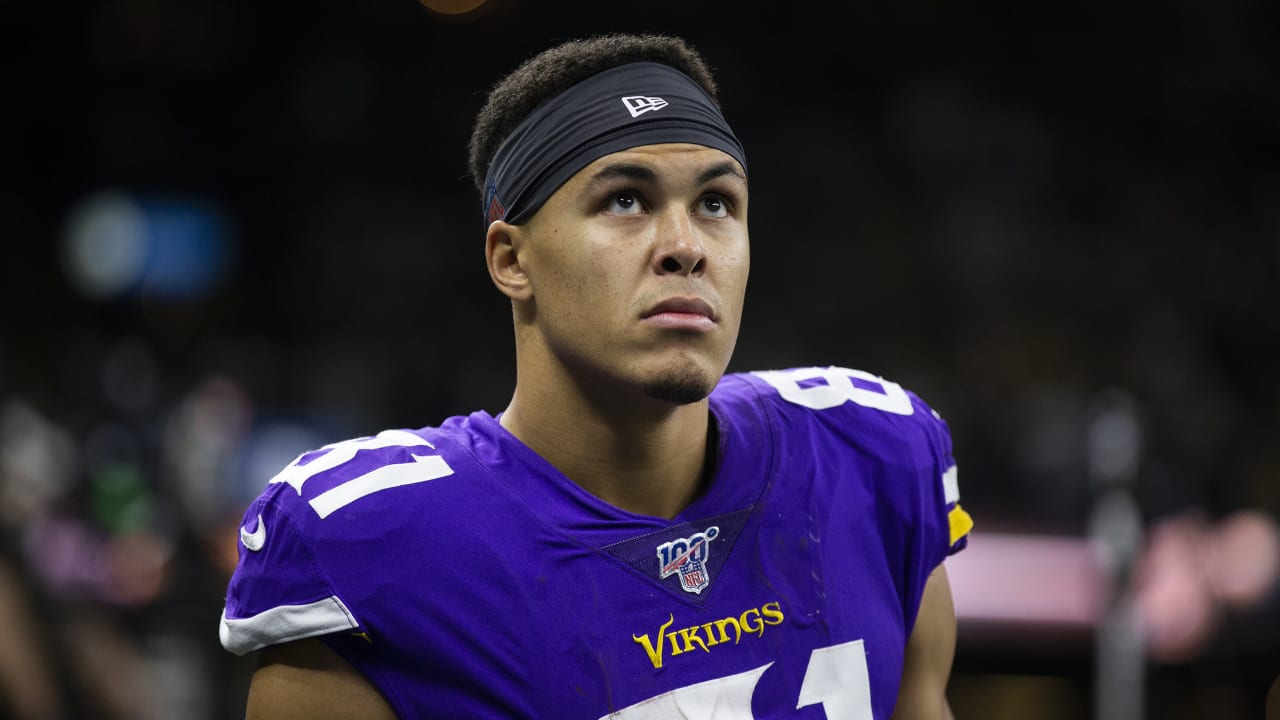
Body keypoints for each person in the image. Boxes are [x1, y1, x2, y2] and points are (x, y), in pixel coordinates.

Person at [220, 33, 973, 719]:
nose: (685, 246)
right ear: (512, 260)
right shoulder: (374, 546)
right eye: (625, 200)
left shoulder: (870, 454)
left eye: (716, 203)